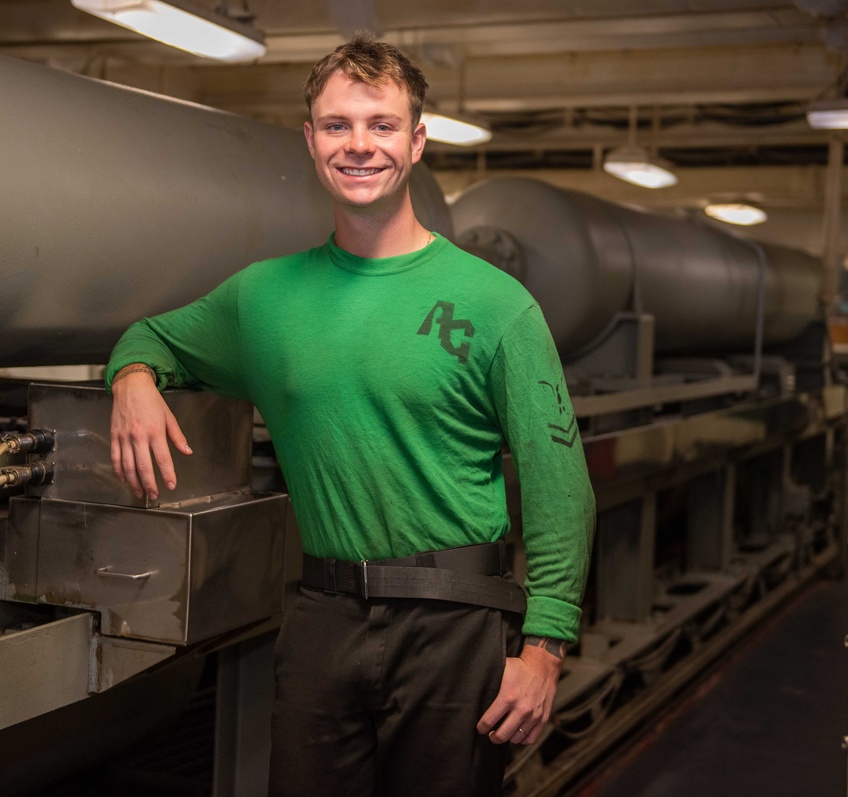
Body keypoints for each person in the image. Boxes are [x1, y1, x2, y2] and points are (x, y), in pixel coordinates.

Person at [106, 33, 594, 797]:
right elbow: (152, 337)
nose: (359, 145)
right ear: (310, 140)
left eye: (381, 124)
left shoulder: (496, 305)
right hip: (322, 619)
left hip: (454, 624)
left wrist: (545, 649)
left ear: (417, 140)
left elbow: (562, 485)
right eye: (338, 125)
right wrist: (133, 376)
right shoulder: (263, 299)